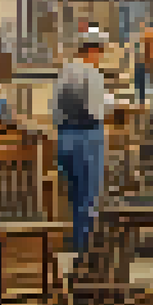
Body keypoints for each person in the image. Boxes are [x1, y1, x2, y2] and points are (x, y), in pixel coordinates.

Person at [53, 28, 111, 260]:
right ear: (93, 50)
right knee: (89, 199)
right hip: (87, 139)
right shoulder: (92, 74)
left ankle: (77, 244)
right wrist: (112, 104)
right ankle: (85, 252)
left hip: (65, 138)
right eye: (100, 52)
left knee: (75, 196)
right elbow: (96, 110)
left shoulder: (66, 71)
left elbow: (57, 110)